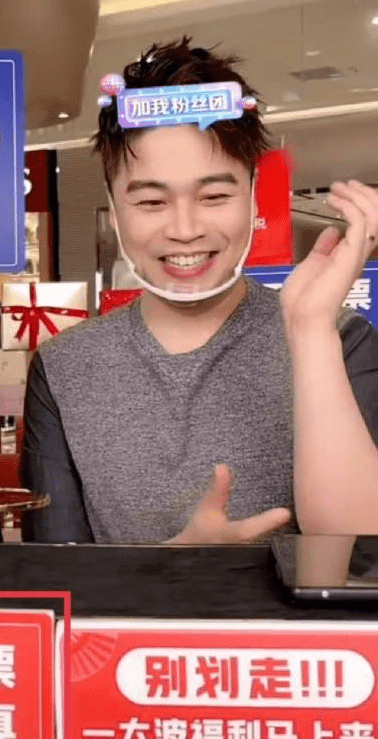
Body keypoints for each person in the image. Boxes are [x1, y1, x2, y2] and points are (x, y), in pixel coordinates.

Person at [21, 36, 378, 544]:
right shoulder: (65, 367)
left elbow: (361, 557)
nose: (185, 229)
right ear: (114, 207)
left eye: (213, 196)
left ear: (253, 196)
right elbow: (56, 570)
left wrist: (311, 331)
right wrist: (180, 564)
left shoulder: (342, 341)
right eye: (151, 202)